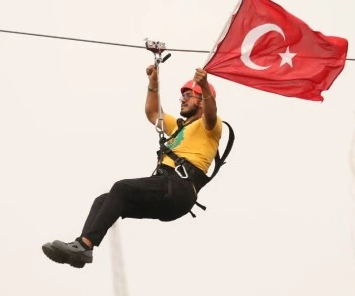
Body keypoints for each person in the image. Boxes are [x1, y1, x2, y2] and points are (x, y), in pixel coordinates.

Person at [42, 65, 223, 268]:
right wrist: (153, 83)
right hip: (167, 191)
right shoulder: (181, 127)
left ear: (201, 100)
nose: (183, 100)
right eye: (183, 96)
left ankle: (84, 246)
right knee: (104, 200)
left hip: (178, 187)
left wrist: (204, 85)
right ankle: (83, 248)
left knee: (122, 187)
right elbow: (153, 112)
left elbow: (211, 113)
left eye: (189, 95)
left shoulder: (211, 127)